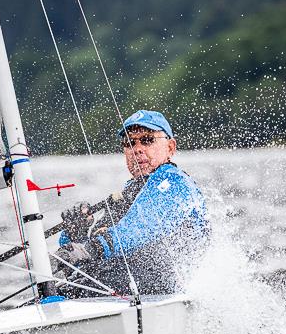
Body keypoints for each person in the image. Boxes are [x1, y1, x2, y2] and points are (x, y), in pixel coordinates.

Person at [53, 110, 209, 296]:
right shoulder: (127, 193)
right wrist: (74, 233)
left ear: (170, 147)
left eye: (147, 140)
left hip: (166, 290)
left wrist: (87, 249)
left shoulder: (174, 182)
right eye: (129, 143)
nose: (137, 149)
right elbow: (88, 254)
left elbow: (140, 228)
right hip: (122, 288)